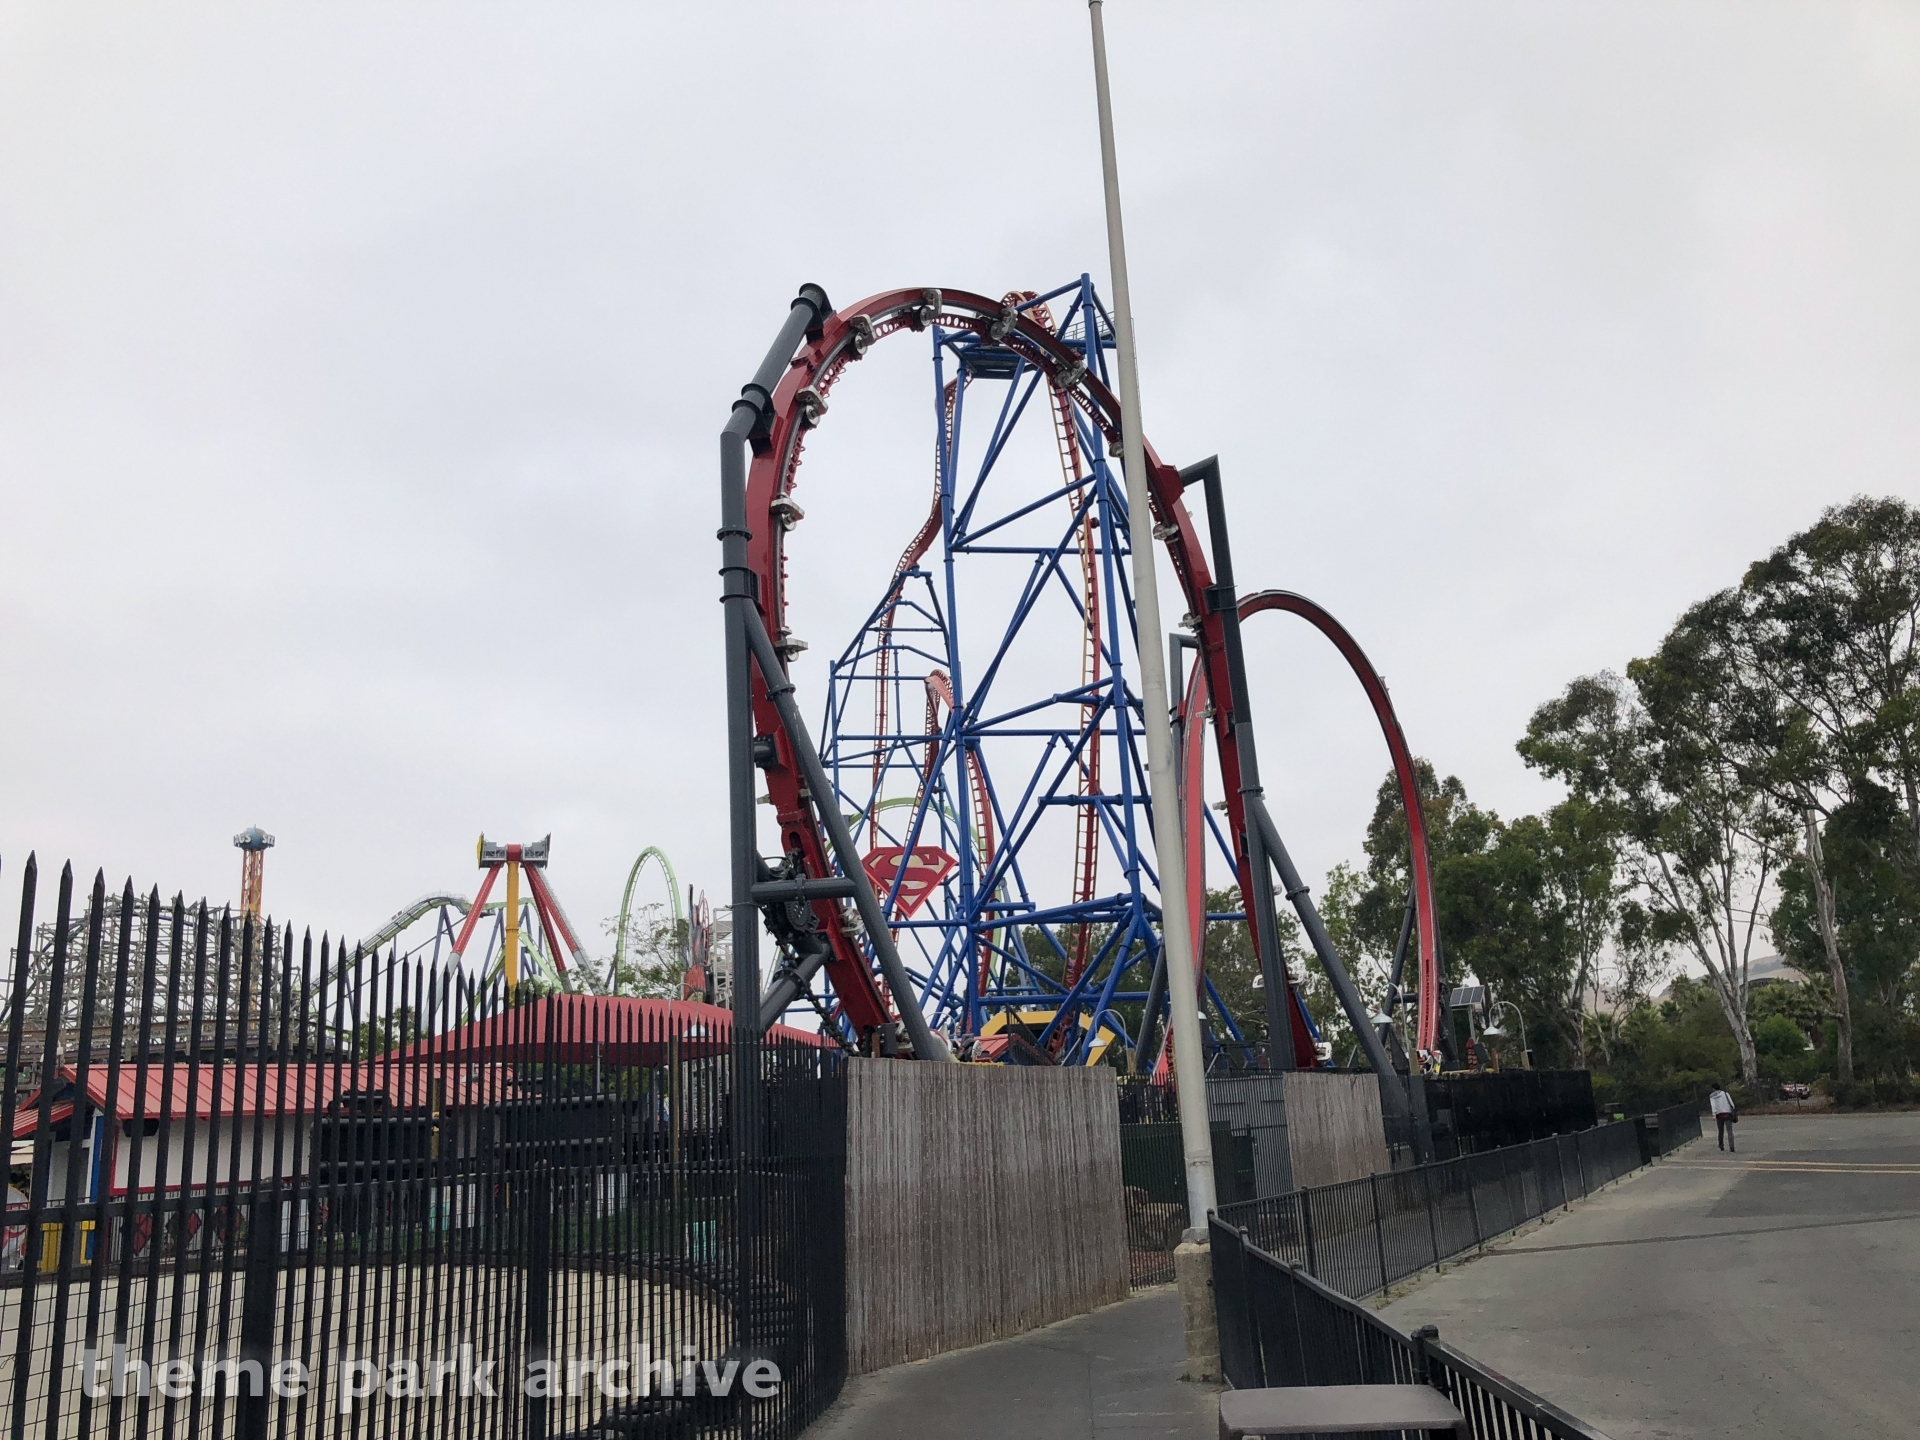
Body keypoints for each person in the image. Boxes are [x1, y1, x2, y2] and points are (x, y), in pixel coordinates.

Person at [1709, 1085, 1737, 1151]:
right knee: (1729, 1131)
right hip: (1727, 1113)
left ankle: (1721, 1145)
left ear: (1713, 1089)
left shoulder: (1712, 1096)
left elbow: (1713, 1106)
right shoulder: (1726, 1094)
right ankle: (1731, 1146)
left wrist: (1714, 1114)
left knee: (1720, 1131)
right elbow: (1732, 1104)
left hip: (1719, 1115)